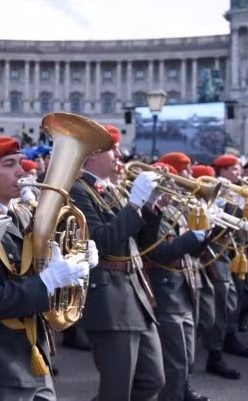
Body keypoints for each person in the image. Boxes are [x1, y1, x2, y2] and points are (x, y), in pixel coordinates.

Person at [0, 136, 92, 401]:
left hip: (33, 353)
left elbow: (38, 268)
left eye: (20, 163)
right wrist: (47, 283)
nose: (21, 171)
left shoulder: (25, 214)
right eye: (9, 164)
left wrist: (76, 261)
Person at [70, 130, 165, 401]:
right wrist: (134, 204)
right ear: (92, 155)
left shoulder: (111, 189)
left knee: (152, 380)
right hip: (109, 296)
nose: (120, 156)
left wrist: (150, 207)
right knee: (117, 390)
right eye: (114, 150)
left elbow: (143, 244)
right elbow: (101, 243)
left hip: (134, 293)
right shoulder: (78, 190)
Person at [146, 152, 213, 401]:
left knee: (188, 352)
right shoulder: (151, 213)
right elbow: (159, 253)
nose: (174, 187)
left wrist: (207, 234)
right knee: (174, 360)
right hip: (166, 290)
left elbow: (193, 252)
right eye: (169, 183)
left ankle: (183, 391)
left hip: (184, 287)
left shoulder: (176, 211)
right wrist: (191, 237)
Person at [203, 154, 248, 380]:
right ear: (222, 171)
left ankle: (229, 334)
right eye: (233, 170)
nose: (238, 173)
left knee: (247, 291)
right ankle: (216, 349)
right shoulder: (213, 189)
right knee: (223, 301)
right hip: (219, 251)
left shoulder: (240, 190)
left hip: (238, 249)